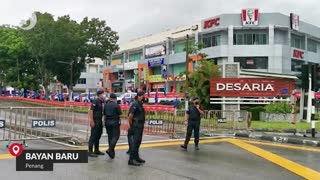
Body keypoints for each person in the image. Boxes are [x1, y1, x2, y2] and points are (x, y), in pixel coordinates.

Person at [127, 91, 146, 166]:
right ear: (138, 96)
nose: (143, 97)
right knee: (135, 143)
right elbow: (130, 116)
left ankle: (136, 157)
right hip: (136, 125)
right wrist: (131, 125)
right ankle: (131, 160)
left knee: (138, 142)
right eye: (142, 96)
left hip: (140, 125)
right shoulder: (135, 104)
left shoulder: (140, 104)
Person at [104, 93, 122, 159]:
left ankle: (111, 152)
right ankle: (110, 149)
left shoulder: (106, 105)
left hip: (107, 122)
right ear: (114, 99)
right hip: (114, 122)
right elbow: (119, 114)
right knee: (116, 136)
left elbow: (104, 114)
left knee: (110, 137)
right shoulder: (116, 105)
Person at [88, 90, 105, 157]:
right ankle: (90, 151)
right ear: (99, 95)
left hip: (99, 121)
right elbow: (91, 111)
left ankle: (96, 150)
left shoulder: (101, 102)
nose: (103, 95)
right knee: (93, 136)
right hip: (95, 120)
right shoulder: (95, 101)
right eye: (102, 94)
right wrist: (92, 120)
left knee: (98, 135)